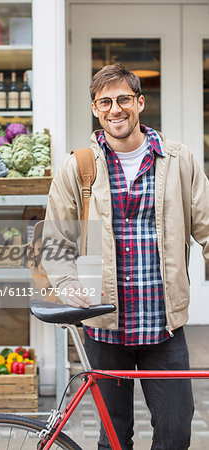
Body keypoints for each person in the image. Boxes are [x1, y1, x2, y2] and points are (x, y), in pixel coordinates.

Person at [41, 63, 209, 449]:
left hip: (162, 323)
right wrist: (66, 284)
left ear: (140, 103)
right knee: (114, 436)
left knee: (175, 431)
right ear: (96, 110)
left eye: (123, 99)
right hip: (104, 322)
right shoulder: (78, 167)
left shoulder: (178, 160)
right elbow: (54, 237)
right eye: (105, 102)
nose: (115, 109)